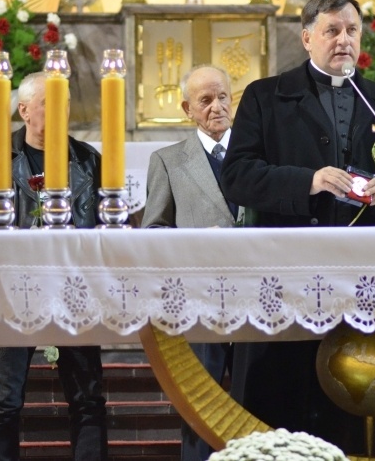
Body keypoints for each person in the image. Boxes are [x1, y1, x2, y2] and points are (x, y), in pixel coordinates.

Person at [220, 0, 375, 453]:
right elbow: (237, 176)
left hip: (362, 276)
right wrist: (308, 181)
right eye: (332, 30)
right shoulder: (265, 97)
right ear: (306, 38)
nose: (344, 40)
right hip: (286, 273)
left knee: (355, 397)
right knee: (282, 401)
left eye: (352, 30)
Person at [0, 72, 108, 461]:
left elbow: (109, 226)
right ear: (24, 110)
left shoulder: (87, 160)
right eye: (49, 104)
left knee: (87, 398)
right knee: (3, 400)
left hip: (74, 289)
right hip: (14, 289)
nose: (62, 112)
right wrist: (4, 245)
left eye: (66, 104)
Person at [141, 64, 237, 461]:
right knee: (202, 408)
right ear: (187, 109)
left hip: (260, 296)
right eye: (205, 100)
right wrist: (195, 243)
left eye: (223, 97)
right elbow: (154, 231)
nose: (217, 107)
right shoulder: (168, 160)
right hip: (201, 302)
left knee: (258, 404)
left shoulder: (258, 152)